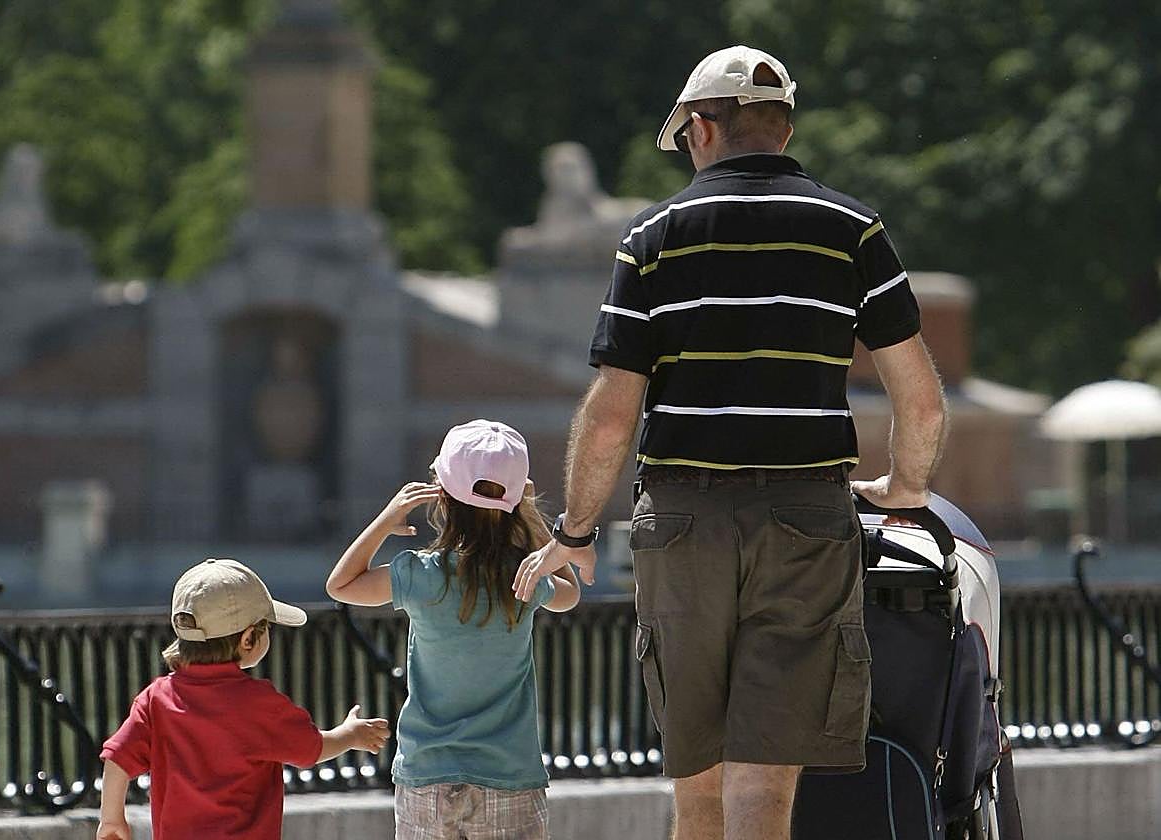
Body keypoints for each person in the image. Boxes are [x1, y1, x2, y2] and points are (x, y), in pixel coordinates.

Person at [513, 45, 946, 840]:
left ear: (705, 127)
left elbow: (610, 415)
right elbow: (918, 398)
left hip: (682, 522)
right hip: (807, 521)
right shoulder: (852, 230)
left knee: (698, 792)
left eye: (684, 136)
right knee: (764, 792)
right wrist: (906, 487)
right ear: (783, 128)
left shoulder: (653, 235)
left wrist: (575, 532)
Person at [326, 419, 582, 840]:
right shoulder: (522, 577)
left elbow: (341, 585)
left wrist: (386, 519)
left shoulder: (421, 574)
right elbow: (570, 593)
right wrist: (531, 515)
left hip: (427, 776)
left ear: (442, 496)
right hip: (509, 775)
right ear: (515, 499)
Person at [96, 558, 390, 840]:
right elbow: (311, 749)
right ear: (248, 639)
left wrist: (111, 820)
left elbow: (117, 759)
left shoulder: (156, 699)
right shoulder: (259, 703)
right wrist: (350, 735)